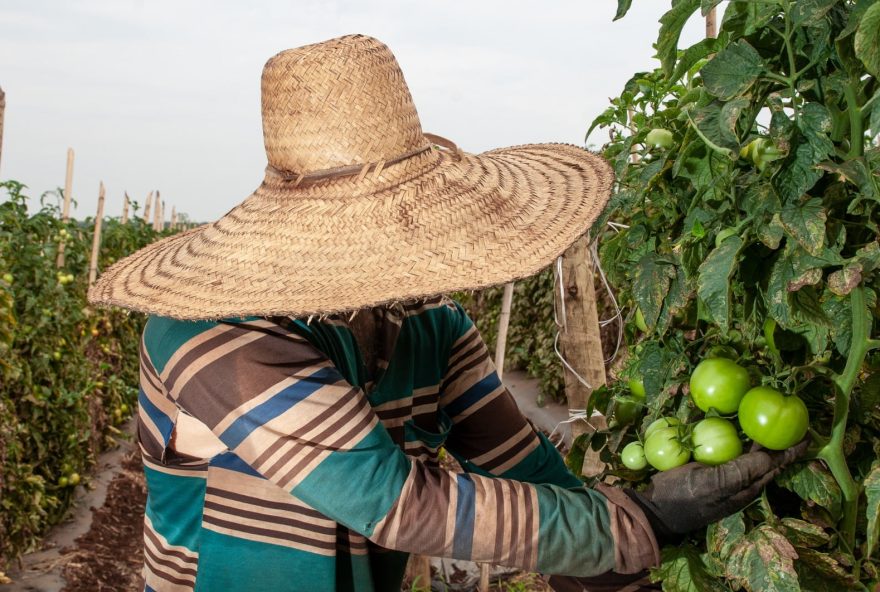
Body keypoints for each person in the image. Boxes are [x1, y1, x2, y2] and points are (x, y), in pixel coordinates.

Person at [89, 34, 806, 592]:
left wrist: (619, 558)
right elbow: (392, 501)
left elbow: (520, 466)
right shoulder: (211, 333)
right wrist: (644, 519)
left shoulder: (428, 323)